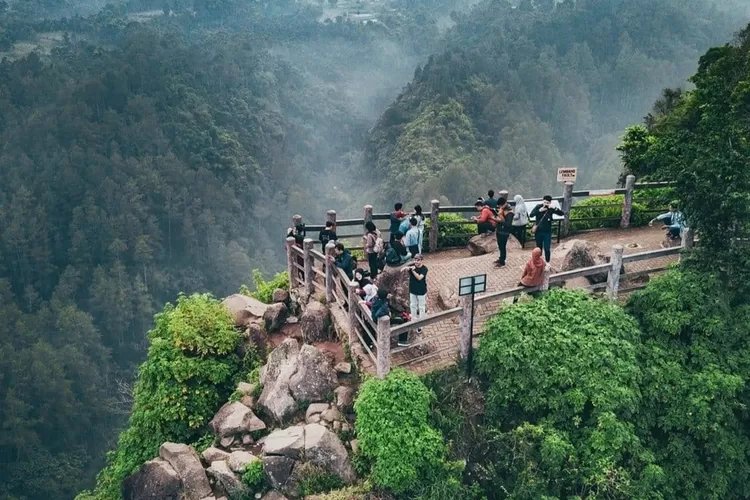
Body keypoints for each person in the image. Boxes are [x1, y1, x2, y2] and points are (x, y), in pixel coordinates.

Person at [400, 253, 427, 346]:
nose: (416, 261)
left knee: (421, 307)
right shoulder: (412, 266)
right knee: (413, 306)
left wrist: (413, 271)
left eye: (418, 260)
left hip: (421, 291)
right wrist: (405, 268)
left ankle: (421, 324)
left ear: (421, 260)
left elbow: (419, 278)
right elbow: (404, 268)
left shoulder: (424, 269)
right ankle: (414, 321)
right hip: (412, 290)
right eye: (415, 259)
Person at [530, 195, 565, 262]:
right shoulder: (538, 206)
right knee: (538, 248)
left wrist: (554, 208)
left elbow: (561, 214)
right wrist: (539, 210)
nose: (545, 204)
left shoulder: (551, 208)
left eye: (547, 203)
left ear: (550, 202)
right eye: (544, 202)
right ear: (543, 201)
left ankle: (547, 262)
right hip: (539, 231)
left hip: (547, 231)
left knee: (547, 248)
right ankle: (538, 262)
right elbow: (531, 215)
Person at [494, 198, 513, 267]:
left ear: (505, 203)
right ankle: (500, 258)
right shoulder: (501, 210)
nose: (500, 207)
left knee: (502, 247)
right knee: (500, 246)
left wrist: (501, 219)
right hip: (499, 230)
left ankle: (502, 262)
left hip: (505, 232)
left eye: (501, 205)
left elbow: (508, 224)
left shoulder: (510, 212)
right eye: (499, 206)